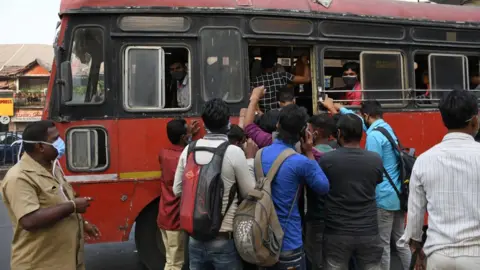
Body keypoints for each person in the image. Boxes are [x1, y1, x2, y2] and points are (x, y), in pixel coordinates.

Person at [321, 98, 412, 270]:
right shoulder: (385, 128)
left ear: (367, 115)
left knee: (383, 244)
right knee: (401, 241)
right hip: (398, 195)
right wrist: (342, 110)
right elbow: (360, 125)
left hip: (384, 198)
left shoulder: (374, 136)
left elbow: (370, 167)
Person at [0, 120, 100, 270]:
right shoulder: (19, 177)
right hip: (40, 264)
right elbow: (29, 220)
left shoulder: (52, 167)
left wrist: (83, 224)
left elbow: (62, 199)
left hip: (67, 261)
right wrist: (73, 206)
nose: (61, 143)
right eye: (55, 140)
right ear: (40, 146)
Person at [398, 89, 480, 270]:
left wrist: (418, 250)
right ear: (475, 120)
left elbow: (415, 215)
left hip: (438, 255)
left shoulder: (424, 160)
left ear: (443, 120)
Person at [173, 98, 256, 270]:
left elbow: (177, 190)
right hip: (223, 239)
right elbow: (250, 192)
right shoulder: (233, 152)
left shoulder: (189, 149)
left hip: (195, 238)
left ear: (204, 123)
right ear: (228, 122)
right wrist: (249, 160)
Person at [261, 104, 330, 270]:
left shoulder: (260, 154)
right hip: (288, 240)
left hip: (262, 238)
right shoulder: (301, 162)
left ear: (277, 125)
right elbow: (323, 187)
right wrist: (309, 151)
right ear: (303, 133)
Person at [319, 114, 384, 270]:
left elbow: (321, 187)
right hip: (369, 230)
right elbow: (376, 182)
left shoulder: (327, 159)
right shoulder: (375, 159)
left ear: (339, 133)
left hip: (337, 231)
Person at [158, 118, 199, 270]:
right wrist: (191, 138)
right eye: (187, 130)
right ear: (183, 137)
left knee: (170, 258)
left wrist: (188, 136)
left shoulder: (163, 154)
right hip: (175, 220)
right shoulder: (184, 158)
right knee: (174, 263)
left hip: (163, 215)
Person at [242, 86, 323, 161]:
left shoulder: (268, 141)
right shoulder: (310, 153)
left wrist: (255, 98)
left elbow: (249, 127)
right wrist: (308, 151)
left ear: (278, 125)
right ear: (304, 130)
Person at [304, 113, 336, 270]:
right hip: (335, 217)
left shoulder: (308, 156)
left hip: (315, 216)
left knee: (316, 260)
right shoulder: (337, 154)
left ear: (315, 132)